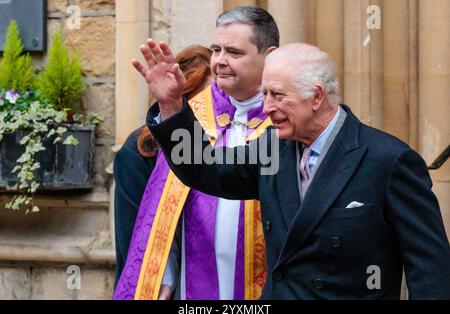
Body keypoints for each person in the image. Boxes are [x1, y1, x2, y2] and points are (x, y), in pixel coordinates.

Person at [142, 41, 450, 299]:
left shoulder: (387, 160)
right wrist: (172, 106)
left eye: (277, 95)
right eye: (264, 94)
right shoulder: (273, 150)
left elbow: (430, 269)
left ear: (316, 97)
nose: (266, 107)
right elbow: (206, 169)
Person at [114, 6, 280, 300]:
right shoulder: (191, 117)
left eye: (234, 52)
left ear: (269, 55)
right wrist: (163, 275)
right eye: (216, 49)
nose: (220, 61)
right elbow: (163, 209)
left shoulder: (285, 119)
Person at [113, 45, 213, 294]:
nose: (210, 112)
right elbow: (133, 242)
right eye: (199, 103)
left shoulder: (231, 148)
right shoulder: (140, 153)